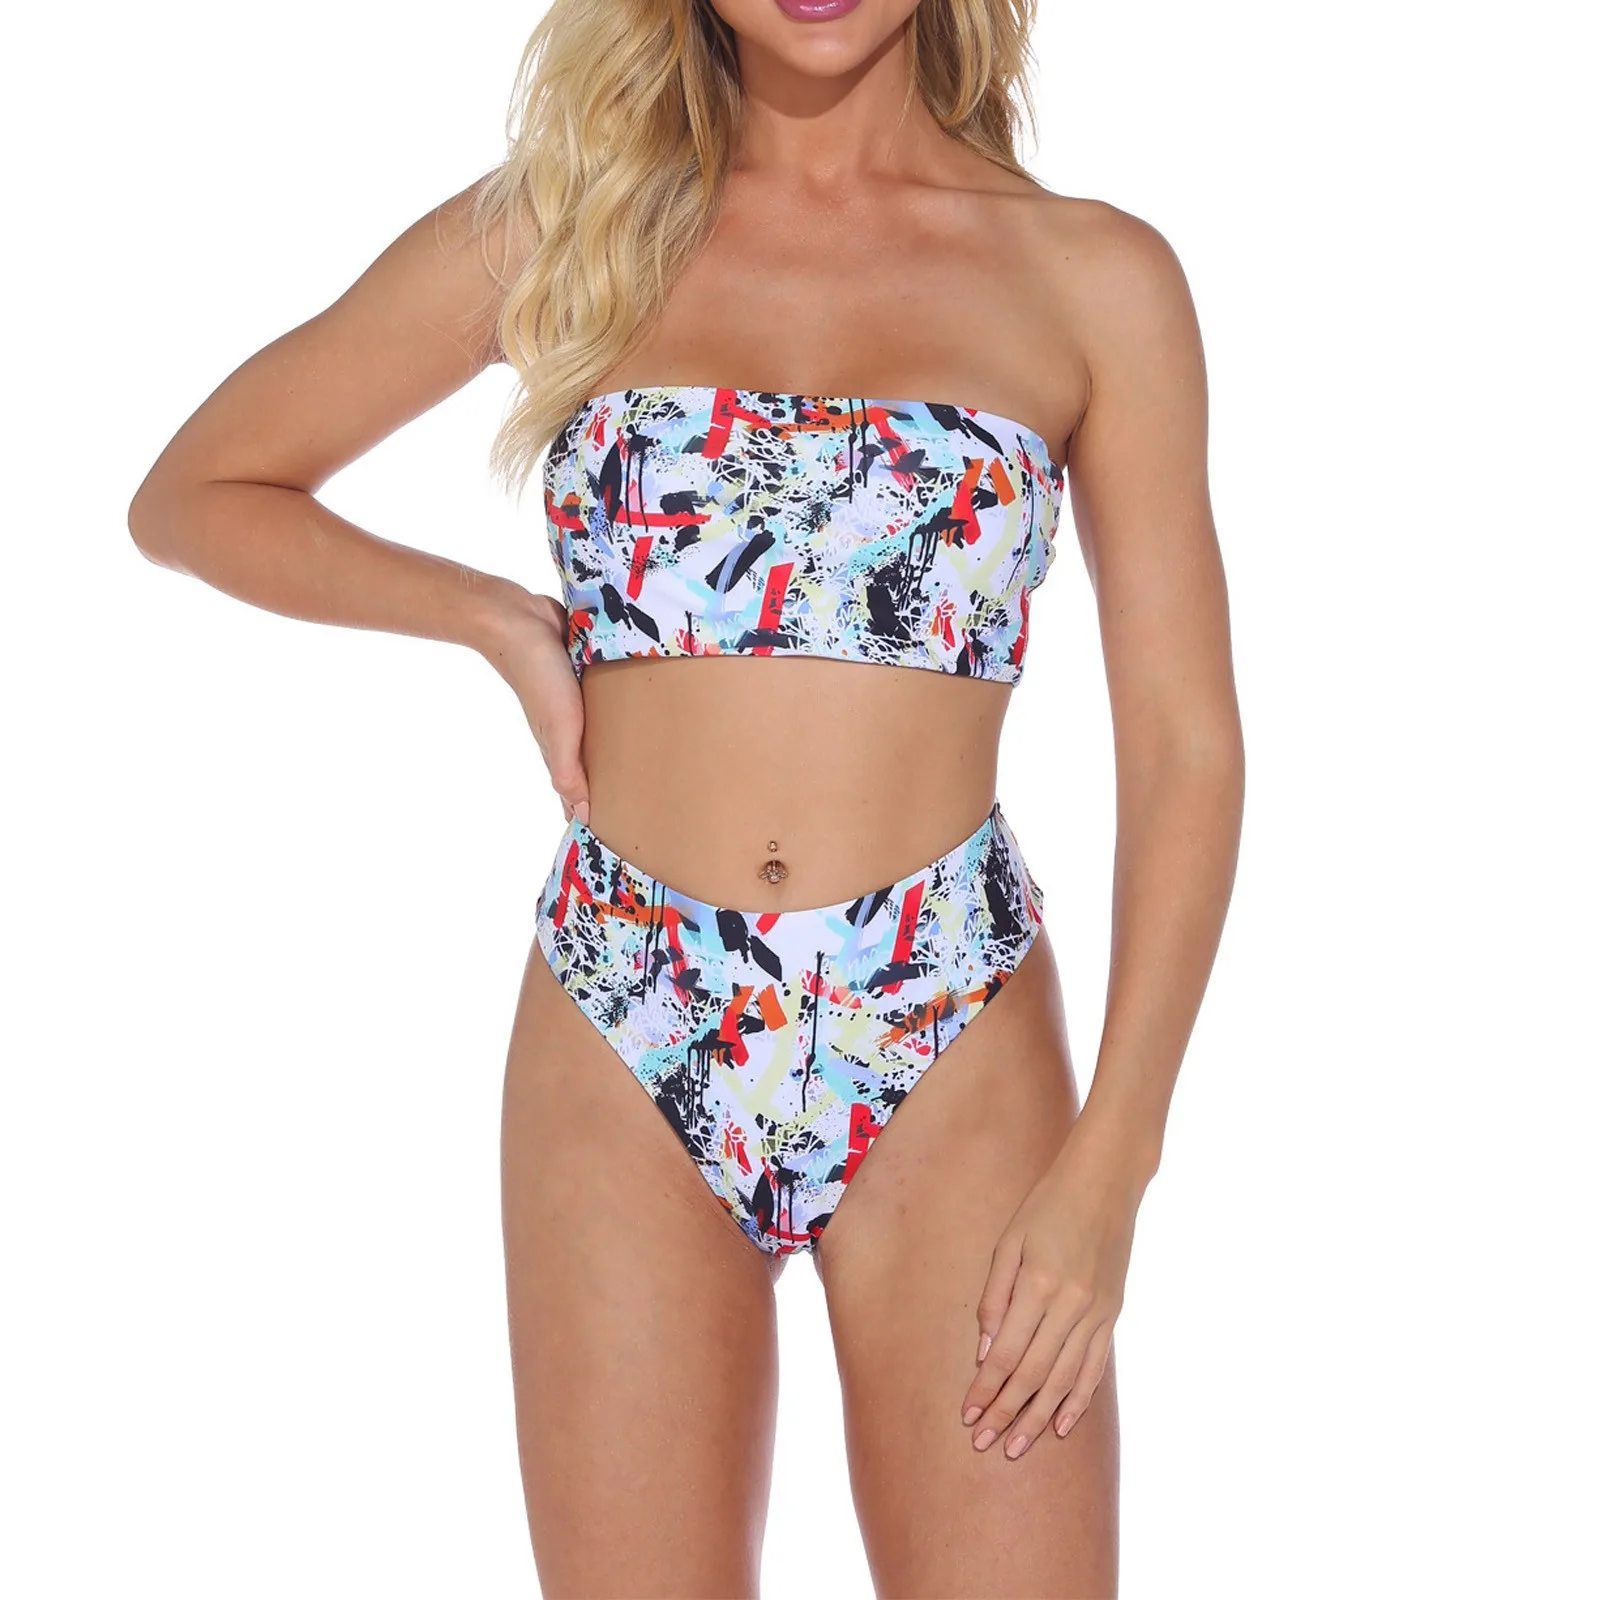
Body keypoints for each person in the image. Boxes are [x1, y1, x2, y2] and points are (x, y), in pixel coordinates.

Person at [128, 0, 1244, 1592]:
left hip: (945, 1011)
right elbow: (196, 492)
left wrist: (1114, 1168)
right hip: (627, 1007)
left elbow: (1187, 747)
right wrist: (493, 619)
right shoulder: (571, 224)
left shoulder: (1092, 276)